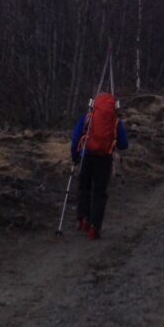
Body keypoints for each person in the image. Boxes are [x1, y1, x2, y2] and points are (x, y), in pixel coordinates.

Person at [70, 92, 128, 239]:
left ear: (94, 105)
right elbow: (124, 144)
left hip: (87, 156)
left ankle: (83, 219)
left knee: (84, 187)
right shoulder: (115, 122)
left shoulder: (87, 118)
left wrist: (75, 156)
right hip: (104, 159)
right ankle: (94, 228)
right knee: (99, 193)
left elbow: (76, 137)